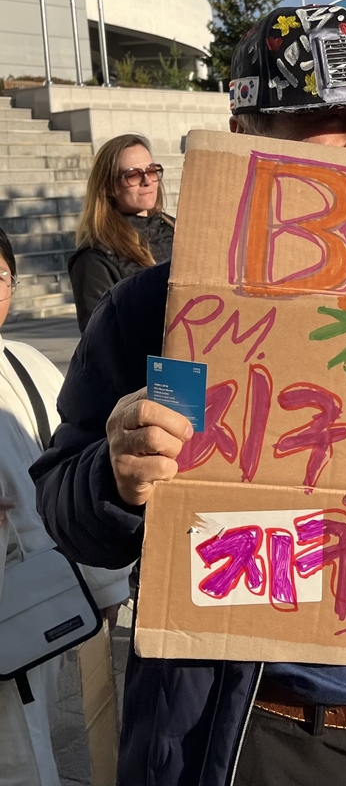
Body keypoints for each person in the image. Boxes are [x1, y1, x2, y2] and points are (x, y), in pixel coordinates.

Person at [30, 6, 346, 786]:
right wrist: (114, 477)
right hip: (253, 733)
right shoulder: (162, 309)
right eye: (319, 117)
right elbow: (65, 510)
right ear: (248, 131)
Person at [0, 227, 131, 786]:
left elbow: (73, 475)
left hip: (36, 598)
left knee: (31, 737)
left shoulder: (26, 363)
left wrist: (103, 587)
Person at [68, 133, 175, 332]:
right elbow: (100, 340)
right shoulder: (94, 257)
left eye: (151, 171)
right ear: (108, 186)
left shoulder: (177, 229)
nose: (147, 181)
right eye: (133, 174)